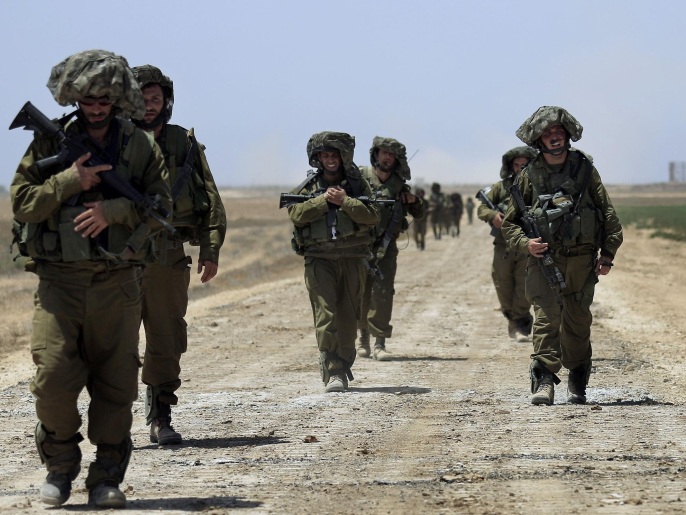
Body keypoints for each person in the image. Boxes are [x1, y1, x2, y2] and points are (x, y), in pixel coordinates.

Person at [10, 50, 171, 508]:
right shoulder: (49, 143)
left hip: (116, 284)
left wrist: (111, 210)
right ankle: (60, 468)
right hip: (58, 284)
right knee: (54, 381)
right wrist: (69, 182)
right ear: (74, 98)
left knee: (116, 386)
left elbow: (160, 208)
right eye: (88, 100)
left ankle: (105, 478)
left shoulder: (139, 145)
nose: (96, 108)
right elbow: (22, 204)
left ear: (117, 99)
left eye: (104, 100)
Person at [502, 106, 623, 406]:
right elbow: (510, 224)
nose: (554, 137)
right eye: (547, 133)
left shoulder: (584, 170)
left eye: (558, 131)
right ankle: (543, 379)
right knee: (545, 319)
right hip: (543, 261)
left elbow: (608, 214)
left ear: (567, 135)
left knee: (577, 322)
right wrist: (525, 244)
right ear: (538, 140)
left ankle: (578, 376)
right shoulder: (529, 175)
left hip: (582, 262)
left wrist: (607, 254)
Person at [131, 65, 227, 446]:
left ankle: (160, 416)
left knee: (166, 339)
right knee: (113, 341)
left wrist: (211, 248)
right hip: (117, 258)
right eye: (141, 98)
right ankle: (112, 421)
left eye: (155, 98)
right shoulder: (110, 141)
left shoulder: (183, 143)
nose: (149, 105)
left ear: (166, 101)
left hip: (167, 256)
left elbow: (211, 198)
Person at [288, 132, 380, 392]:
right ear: (317, 158)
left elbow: (373, 216)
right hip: (320, 259)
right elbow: (296, 214)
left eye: (334, 155)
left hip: (352, 258)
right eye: (325, 155)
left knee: (348, 317)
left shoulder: (358, 185)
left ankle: (344, 362)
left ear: (344, 157)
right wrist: (322, 200)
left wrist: (345, 201)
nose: (330, 160)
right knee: (326, 314)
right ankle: (333, 370)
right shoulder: (309, 185)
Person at [356, 137, 426, 360]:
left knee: (383, 292)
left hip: (386, 247)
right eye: (383, 152)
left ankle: (379, 342)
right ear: (375, 154)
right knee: (359, 292)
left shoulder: (398, 185)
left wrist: (413, 200)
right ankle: (363, 338)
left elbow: (419, 213)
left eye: (391, 154)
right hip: (358, 245)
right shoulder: (360, 178)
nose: (387, 157)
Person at [477, 146, 537, 342]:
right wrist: (493, 215)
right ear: (510, 167)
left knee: (525, 287)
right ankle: (512, 317)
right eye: (517, 165)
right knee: (502, 284)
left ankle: (521, 324)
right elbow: (482, 209)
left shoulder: (538, 186)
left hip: (528, 245)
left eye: (524, 165)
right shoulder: (501, 187)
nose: (520, 168)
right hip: (503, 246)